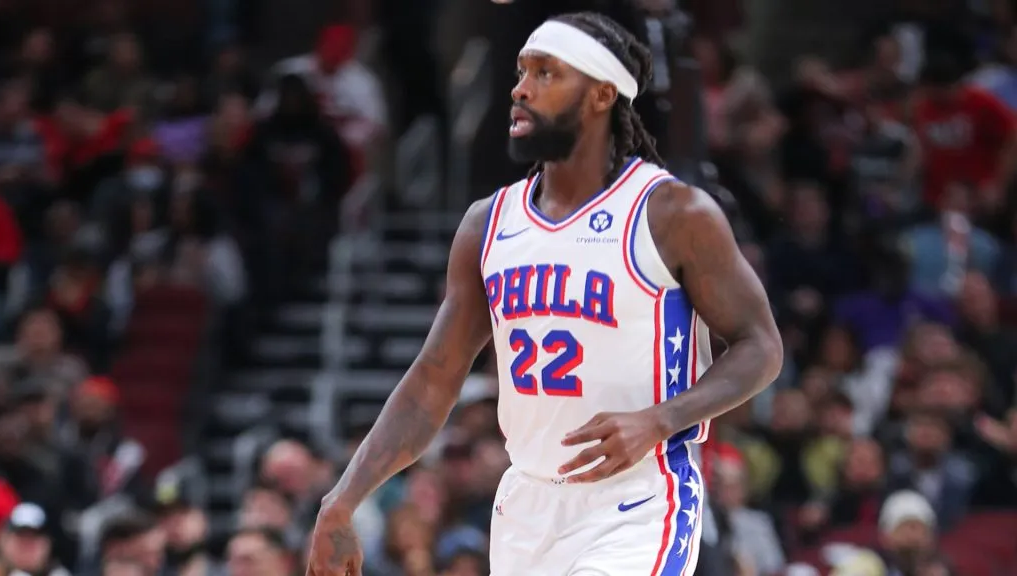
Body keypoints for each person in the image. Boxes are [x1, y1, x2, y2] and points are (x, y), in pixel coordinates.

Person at [307, 11, 781, 576]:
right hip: (526, 506)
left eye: (546, 73)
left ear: (603, 93)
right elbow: (433, 380)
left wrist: (661, 419)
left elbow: (761, 346)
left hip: (635, 500)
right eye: (520, 71)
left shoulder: (671, 213)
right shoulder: (488, 224)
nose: (520, 89)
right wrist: (343, 498)